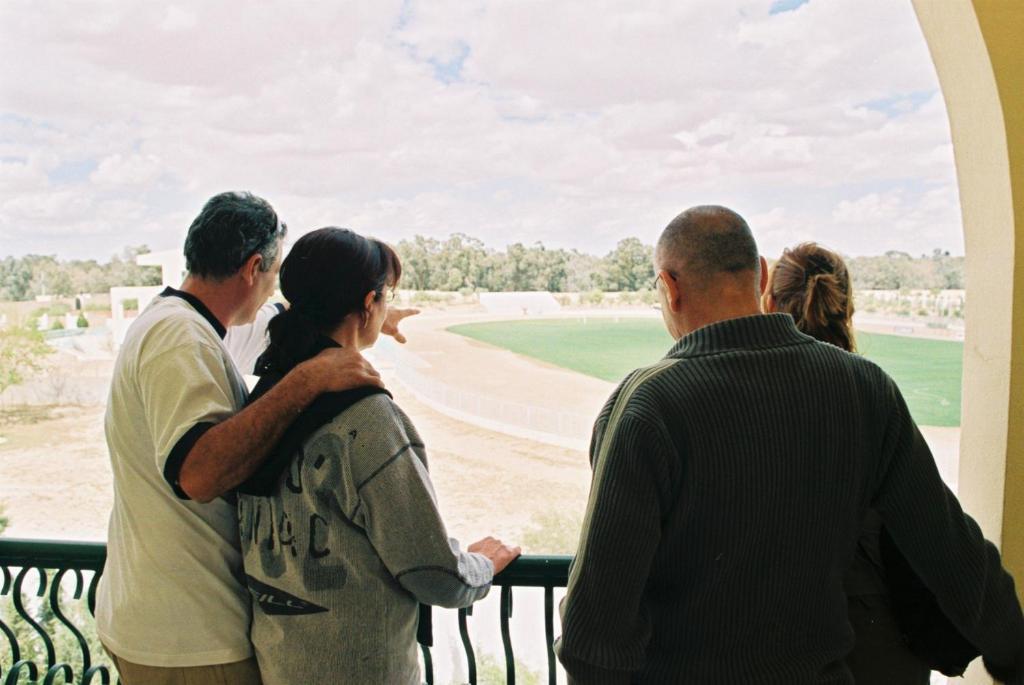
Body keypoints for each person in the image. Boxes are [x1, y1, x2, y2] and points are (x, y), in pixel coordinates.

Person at [554, 205, 1024, 684]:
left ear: (668, 289)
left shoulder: (646, 407)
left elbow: (596, 630)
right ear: (760, 276)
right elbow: (952, 551)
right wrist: (1012, 652)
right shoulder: (865, 388)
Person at [96, 192, 415, 684]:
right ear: (252, 268)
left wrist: (368, 314)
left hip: (162, 622)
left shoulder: (186, 323)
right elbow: (198, 474)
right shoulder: (180, 339)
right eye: (273, 275)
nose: (273, 291)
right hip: (189, 637)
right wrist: (309, 379)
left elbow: (286, 323)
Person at [236, 227, 520, 685]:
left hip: (277, 666)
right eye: (385, 296)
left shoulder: (266, 401)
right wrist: (482, 564)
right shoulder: (369, 421)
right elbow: (434, 575)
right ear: (369, 304)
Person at [764, 242, 932, 682]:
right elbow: (930, 523)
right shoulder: (874, 392)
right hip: (881, 643)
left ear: (769, 302)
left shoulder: (752, 401)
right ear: (848, 306)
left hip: (783, 641)